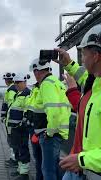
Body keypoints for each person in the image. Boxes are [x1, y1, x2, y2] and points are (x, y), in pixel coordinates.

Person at [54, 24, 101, 180]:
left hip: (90, 169)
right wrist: (68, 63)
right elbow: (83, 76)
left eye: (83, 54)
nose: (81, 59)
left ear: (95, 56)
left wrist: (82, 160)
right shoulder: (95, 82)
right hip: (82, 168)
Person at [29, 58, 71, 180]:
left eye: (35, 72)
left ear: (37, 71)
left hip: (49, 135)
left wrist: (49, 132)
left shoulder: (46, 84)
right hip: (57, 133)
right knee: (54, 167)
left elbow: (53, 111)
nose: (35, 75)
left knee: (48, 170)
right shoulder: (56, 82)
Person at [7, 73, 31, 180]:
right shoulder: (19, 93)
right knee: (18, 149)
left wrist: (22, 124)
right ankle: (20, 170)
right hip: (15, 128)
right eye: (15, 82)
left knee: (23, 149)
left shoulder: (27, 94)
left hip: (21, 128)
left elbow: (27, 111)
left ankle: (24, 174)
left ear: (24, 82)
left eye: (18, 82)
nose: (16, 85)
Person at [25, 76, 43, 180]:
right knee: (37, 156)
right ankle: (39, 177)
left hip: (42, 129)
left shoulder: (47, 87)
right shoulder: (35, 88)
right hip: (34, 128)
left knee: (44, 159)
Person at [1, 72, 19, 167]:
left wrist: (5, 117)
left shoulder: (11, 89)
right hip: (12, 119)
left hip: (11, 120)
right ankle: (14, 158)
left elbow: (10, 105)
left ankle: (14, 159)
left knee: (12, 140)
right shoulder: (14, 88)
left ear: (6, 80)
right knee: (13, 140)